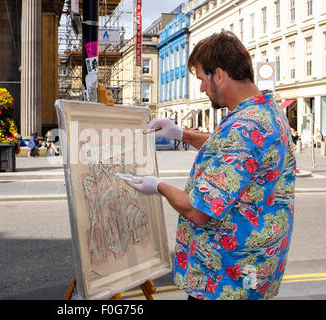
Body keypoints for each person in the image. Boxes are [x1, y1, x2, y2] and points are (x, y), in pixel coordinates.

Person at [126, 31, 296, 300]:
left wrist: (157, 185)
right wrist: (182, 134)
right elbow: (233, 151)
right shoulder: (266, 111)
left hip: (225, 280)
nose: (202, 88)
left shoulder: (243, 126)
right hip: (255, 273)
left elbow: (197, 210)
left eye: (203, 79)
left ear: (219, 74)